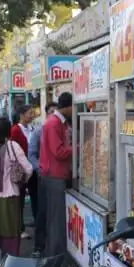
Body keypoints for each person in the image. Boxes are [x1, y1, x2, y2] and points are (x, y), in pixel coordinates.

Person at [0, 117, 33, 256]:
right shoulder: (12, 146)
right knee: (10, 234)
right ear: (9, 130)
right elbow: (28, 169)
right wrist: (20, 183)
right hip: (10, 197)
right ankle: (10, 263)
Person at [39, 93, 73, 257]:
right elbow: (58, 152)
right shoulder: (53, 124)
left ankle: (54, 253)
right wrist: (78, 149)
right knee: (56, 219)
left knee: (56, 218)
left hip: (57, 174)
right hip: (54, 176)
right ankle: (55, 256)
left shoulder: (59, 122)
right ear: (67, 107)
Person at [28, 102, 57, 256]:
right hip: (44, 177)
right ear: (46, 113)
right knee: (42, 212)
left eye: (56, 111)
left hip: (59, 178)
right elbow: (31, 154)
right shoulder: (39, 131)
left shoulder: (63, 130)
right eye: (51, 111)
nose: (54, 114)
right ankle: (39, 246)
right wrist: (40, 169)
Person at [10, 105, 36, 239]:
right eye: (30, 113)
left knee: (35, 197)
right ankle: (19, 228)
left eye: (33, 113)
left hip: (33, 169)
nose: (32, 115)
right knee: (19, 200)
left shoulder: (32, 129)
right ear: (21, 114)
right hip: (21, 171)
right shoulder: (15, 130)